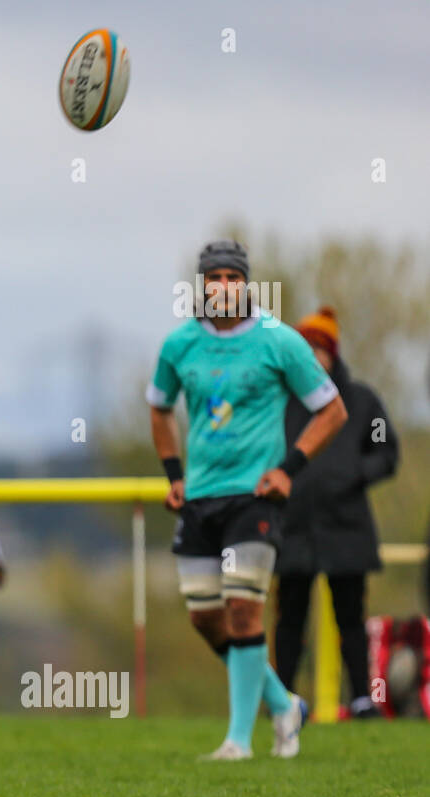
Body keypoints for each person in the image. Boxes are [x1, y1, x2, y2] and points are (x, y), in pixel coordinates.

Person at [147, 240, 348, 759]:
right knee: (206, 617)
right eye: (213, 278)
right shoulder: (180, 345)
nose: (223, 287)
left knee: (243, 609)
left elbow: (331, 410)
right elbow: (159, 407)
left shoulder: (278, 341)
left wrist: (289, 469)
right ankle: (285, 705)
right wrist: (174, 474)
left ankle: (238, 740)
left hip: (254, 498)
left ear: (246, 284)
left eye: (232, 278)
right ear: (202, 286)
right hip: (201, 499)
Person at [273, 308, 399, 717]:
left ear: (332, 354)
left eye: (319, 348)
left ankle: (362, 698)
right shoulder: (281, 402)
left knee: (350, 617)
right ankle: (283, 699)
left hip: (346, 528)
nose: (312, 354)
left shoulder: (362, 402)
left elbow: (385, 451)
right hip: (293, 526)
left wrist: (353, 475)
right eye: (305, 347)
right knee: (290, 617)